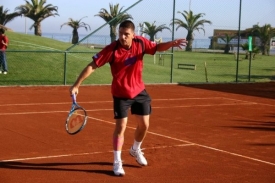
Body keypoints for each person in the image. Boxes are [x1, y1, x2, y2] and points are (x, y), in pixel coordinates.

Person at [69, 20, 187, 176]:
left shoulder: (141, 43)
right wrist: (77, 84)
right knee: (121, 126)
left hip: (139, 91)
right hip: (121, 94)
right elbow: (92, 65)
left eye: (126, 34)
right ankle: (117, 162)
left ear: (133, 34)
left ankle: (135, 149)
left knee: (144, 125)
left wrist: (171, 44)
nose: (122, 37)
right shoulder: (112, 49)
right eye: (120, 34)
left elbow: (157, 47)